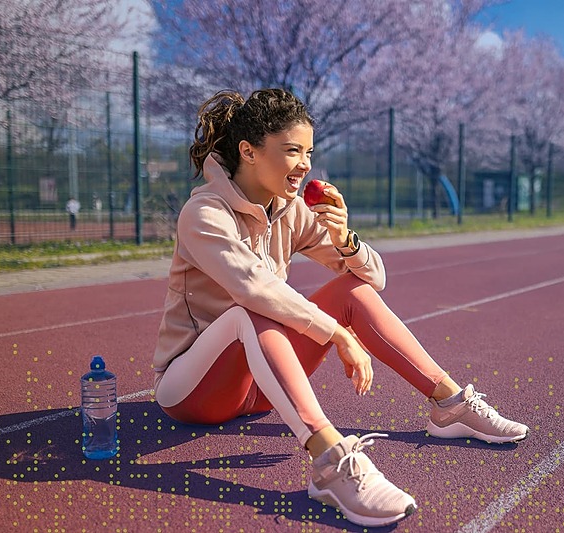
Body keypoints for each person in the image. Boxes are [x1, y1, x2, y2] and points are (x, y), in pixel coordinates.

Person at [151, 88, 528, 527]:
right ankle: (330, 463)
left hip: (259, 389)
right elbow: (252, 288)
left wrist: (346, 239)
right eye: (292, 151)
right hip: (192, 392)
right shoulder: (204, 214)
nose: (305, 164)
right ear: (248, 152)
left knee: (351, 292)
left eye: (309, 151)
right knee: (248, 312)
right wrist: (335, 334)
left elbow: (373, 281)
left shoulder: (289, 211)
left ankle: (450, 405)